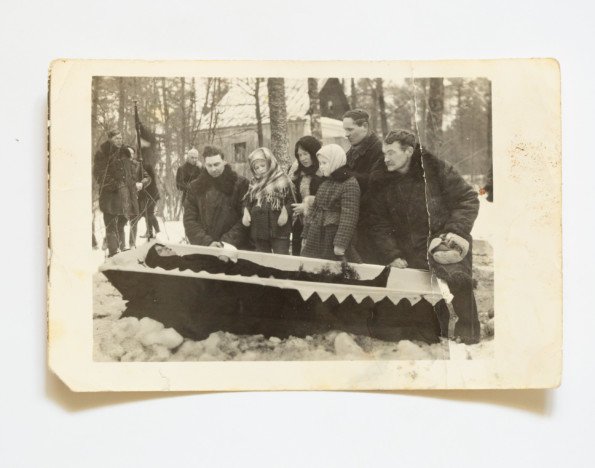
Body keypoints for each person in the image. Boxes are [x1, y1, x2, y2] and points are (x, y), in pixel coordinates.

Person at [367, 129, 481, 344]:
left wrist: (454, 231)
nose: (386, 158)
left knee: (458, 280)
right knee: (414, 311)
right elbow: (378, 223)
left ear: (409, 151)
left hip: (442, 242)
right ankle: (433, 331)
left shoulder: (437, 171)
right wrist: (392, 254)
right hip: (406, 248)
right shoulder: (382, 181)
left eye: (391, 152)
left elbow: (468, 199)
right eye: (384, 153)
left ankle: (469, 334)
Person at [93, 131, 149, 257]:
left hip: (125, 197)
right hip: (110, 196)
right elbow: (99, 175)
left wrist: (133, 185)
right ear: (110, 139)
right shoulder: (102, 153)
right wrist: (116, 185)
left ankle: (121, 252)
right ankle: (114, 253)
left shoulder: (125, 153)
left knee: (121, 224)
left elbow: (130, 173)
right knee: (111, 225)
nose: (120, 140)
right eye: (117, 138)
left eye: (121, 138)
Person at [301, 144, 360, 262]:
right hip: (315, 233)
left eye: (324, 163)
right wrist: (306, 234)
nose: (321, 167)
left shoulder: (349, 183)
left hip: (332, 235)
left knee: (332, 267)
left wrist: (340, 244)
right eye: (320, 163)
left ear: (335, 162)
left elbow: (349, 216)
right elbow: (314, 210)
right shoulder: (325, 183)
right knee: (311, 266)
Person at [183, 145, 249, 250]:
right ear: (204, 164)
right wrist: (207, 242)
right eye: (209, 165)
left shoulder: (241, 184)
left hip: (234, 249)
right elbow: (189, 220)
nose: (213, 169)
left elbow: (245, 219)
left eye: (216, 164)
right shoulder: (195, 187)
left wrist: (226, 243)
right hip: (205, 250)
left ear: (224, 162)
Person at [342, 109, 384, 263]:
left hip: (370, 220)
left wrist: (344, 174)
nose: (346, 134)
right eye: (345, 130)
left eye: (350, 129)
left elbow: (375, 182)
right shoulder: (353, 150)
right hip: (355, 216)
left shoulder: (379, 150)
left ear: (364, 127)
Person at [242, 147, 294, 255]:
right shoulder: (254, 183)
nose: (260, 169)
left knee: (282, 257)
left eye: (263, 165)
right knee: (263, 259)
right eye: (256, 168)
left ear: (270, 163)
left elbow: (291, 200)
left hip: (279, 228)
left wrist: (285, 212)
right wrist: (246, 212)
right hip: (259, 229)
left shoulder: (283, 179)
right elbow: (247, 201)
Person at [289, 136, 323, 256]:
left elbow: (329, 198)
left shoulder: (324, 172)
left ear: (314, 152)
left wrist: (307, 206)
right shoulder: (296, 174)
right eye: (299, 155)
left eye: (305, 154)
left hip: (318, 225)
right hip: (299, 224)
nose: (302, 158)